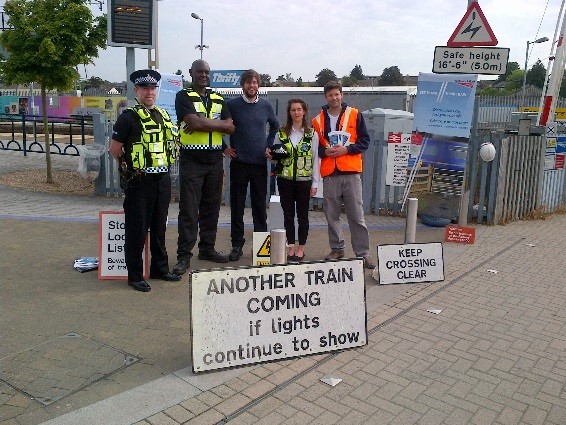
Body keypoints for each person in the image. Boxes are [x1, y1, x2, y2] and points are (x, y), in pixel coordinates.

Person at [108, 69, 181, 292]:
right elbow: (114, 149)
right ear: (136, 91)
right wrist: (129, 168)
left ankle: (160, 268)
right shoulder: (128, 117)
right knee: (136, 229)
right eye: (145, 89)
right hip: (140, 181)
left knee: (159, 227)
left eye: (153, 88)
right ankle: (135, 275)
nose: (150, 92)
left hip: (162, 179)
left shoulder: (163, 115)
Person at [171, 60, 235, 276]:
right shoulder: (183, 96)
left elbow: (231, 126)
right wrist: (218, 124)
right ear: (191, 73)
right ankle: (183, 256)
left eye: (207, 72)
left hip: (215, 161)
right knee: (189, 210)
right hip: (192, 160)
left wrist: (203, 121)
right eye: (200, 71)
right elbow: (194, 123)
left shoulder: (218, 97)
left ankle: (207, 249)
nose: (204, 75)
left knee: (211, 208)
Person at [312, 80, 376, 269]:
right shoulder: (317, 120)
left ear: (342, 95)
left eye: (337, 94)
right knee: (331, 215)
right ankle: (337, 249)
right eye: (330, 95)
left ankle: (363, 253)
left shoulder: (355, 115)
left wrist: (347, 150)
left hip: (350, 172)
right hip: (330, 174)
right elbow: (316, 149)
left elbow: (365, 141)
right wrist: (327, 152)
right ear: (326, 97)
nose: (334, 97)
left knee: (356, 215)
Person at [225, 69, 279, 261]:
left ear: (259, 85)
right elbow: (219, 125)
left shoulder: (265, 106)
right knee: (237, 207)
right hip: (239, 163)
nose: (252, 86)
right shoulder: (231, 105)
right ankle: (236, 245)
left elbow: (275, 125)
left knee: (258, 207)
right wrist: (225, 148)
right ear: (243, 85)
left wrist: (268, 145)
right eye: (248, 82)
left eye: (255, 82)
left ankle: (262, 248)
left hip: (258, 164)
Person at [267, 98, 319, 262]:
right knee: (288, 215)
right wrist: (271, 156)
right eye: (293, 110)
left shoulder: (312, 134)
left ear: (304, 112)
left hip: (304, 181)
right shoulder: (281, 133)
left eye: (299, 109)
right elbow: (276, 156)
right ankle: (290, 247)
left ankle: (301, 248)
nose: (296, 112)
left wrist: (315, 182)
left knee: (303, 216)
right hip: (285, 180)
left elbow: (316, 158)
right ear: (289, 113)